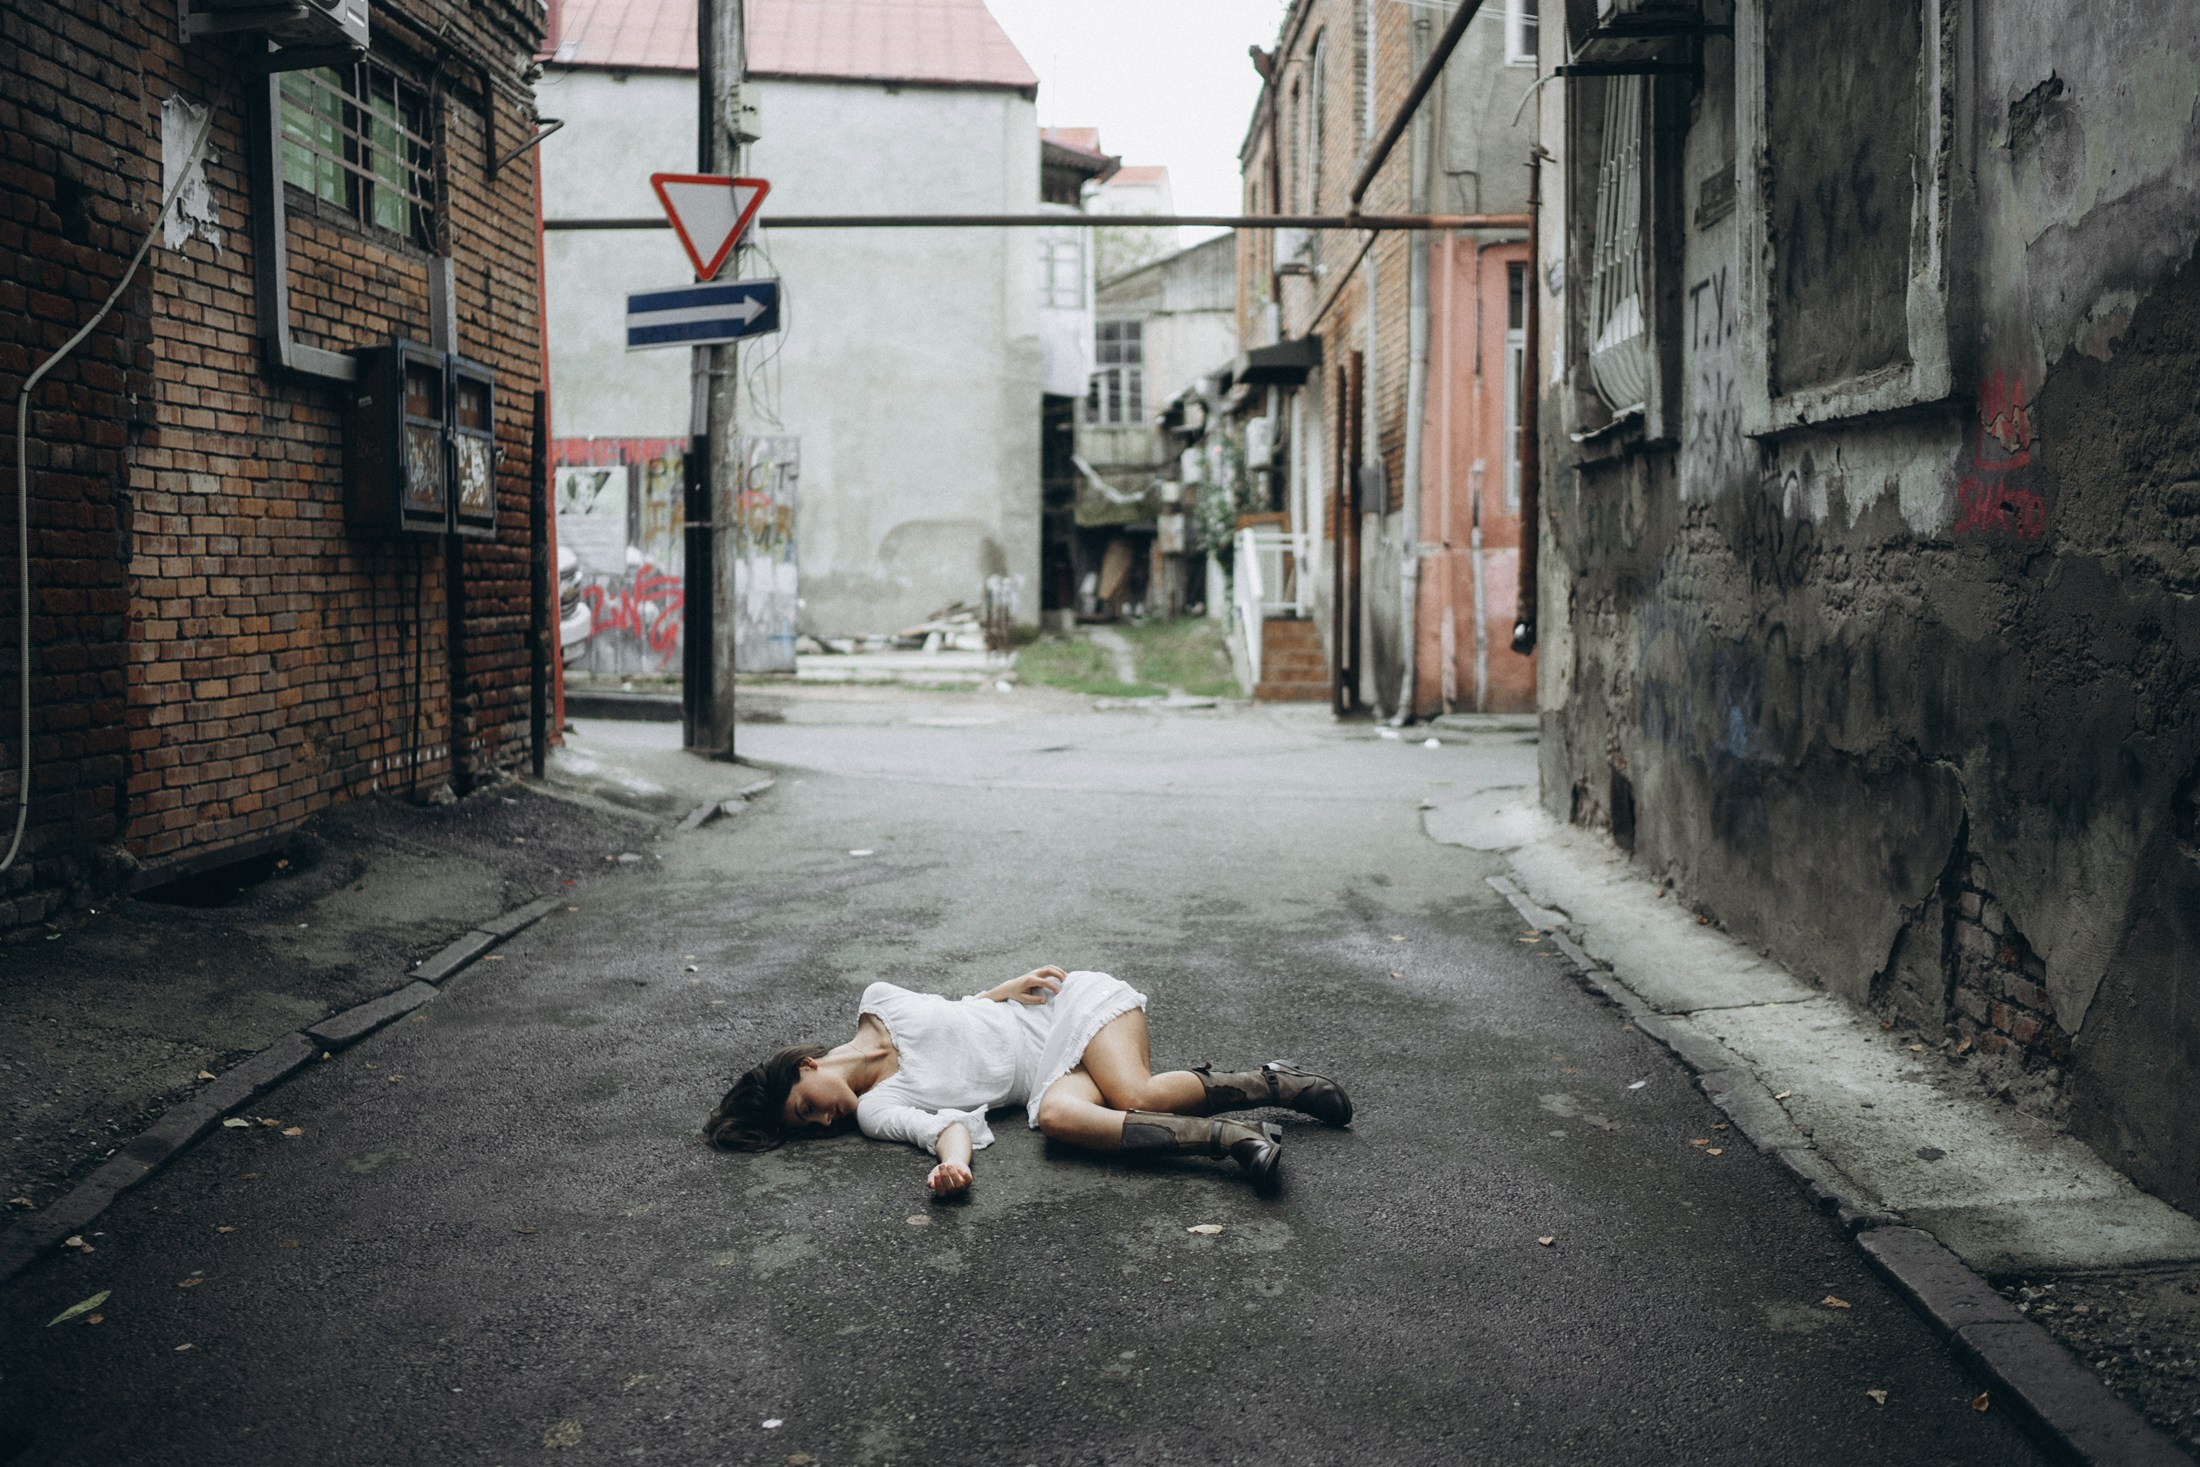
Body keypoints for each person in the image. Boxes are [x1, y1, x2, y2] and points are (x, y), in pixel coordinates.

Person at [704, 966, 1352, 1196]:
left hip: (1065, 1010)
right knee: (1061, 1122)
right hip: (1050, 1075)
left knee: (1138, 1093)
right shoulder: (879, 1109)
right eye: (809, 1129)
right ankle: (1232, 1139)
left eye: (803, 1107)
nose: (822, 1122)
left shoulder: (880, 999)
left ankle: (1277, 1083)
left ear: (805, 1066)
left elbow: (952, 1013)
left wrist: (1002, 989)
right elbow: (947, 1128)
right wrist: (951, 1170)